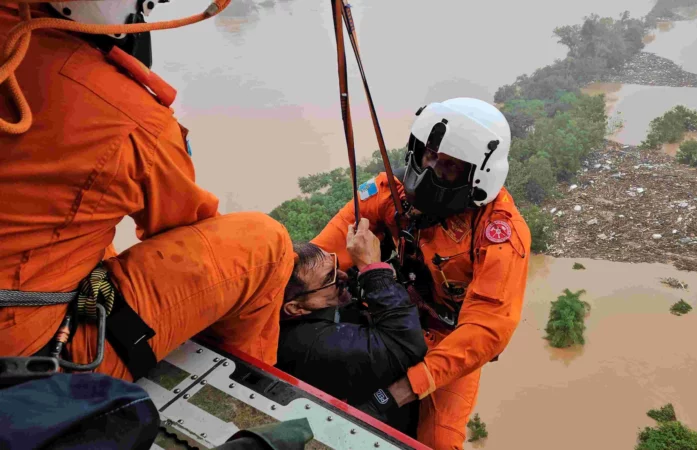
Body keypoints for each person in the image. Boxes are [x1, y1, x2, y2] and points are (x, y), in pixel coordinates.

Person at [0, 0, 295, 383]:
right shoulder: (131, 115)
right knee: (265, 245)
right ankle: (249, 382)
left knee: (85, 231)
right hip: (28, 359)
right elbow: (185, 228)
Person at [311, 97, 532, 449]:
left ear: (478, 175)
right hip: (390, 314)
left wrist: (402, 390)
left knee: (439, 442)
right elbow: (323, 253)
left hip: (449, 341)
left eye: (449, 167)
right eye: (429, 156)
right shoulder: (392, 193)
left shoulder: (498, 234)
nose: (431, 171)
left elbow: (487, 329)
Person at [276, 218, 427, 435]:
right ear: (295, 308)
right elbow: (407, 345)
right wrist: (373, 271)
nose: (343, 276)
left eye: (336, 267)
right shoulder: (308, 345)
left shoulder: (312, 306)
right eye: (330, 278)